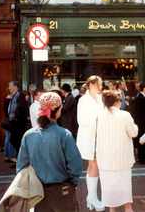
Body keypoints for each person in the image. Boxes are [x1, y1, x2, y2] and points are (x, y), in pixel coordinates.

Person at [17, 92, 82, 212]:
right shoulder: (64, 134)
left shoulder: (29, 135)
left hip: (38, 193)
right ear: (57, 111)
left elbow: (21, 167)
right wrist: (72, 183)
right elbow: (76, 166)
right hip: (62, 190)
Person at [96, 90, 138, 212]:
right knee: (127, 201)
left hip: (105, 162)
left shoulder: (99, 116)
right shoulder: (125, 115)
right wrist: (136, 126)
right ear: (116, 102)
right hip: (122, 161)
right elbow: (133, 133)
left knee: (111, 202)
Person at [76, 75, 105, 211]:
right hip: (89, 137)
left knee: (94, 166)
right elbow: (81, 120)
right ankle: (92, 197)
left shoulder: (100, 98)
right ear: (92, 84)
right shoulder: (83, 100)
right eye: (99, 84)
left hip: (99, 137)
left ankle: (91, 197)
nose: (101, 86)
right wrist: (98, 119)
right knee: (94, 165)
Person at [132, 82, 145, 164]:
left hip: (144, 124)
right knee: (141, 141)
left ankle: (144, 158)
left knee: (144, 141)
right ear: (144, 89)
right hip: (141, 124)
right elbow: (138, 113)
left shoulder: (144, 97)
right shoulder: (139, 98)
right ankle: (142, 159)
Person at [7, 81, 29, 154]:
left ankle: (20, 161)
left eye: (10, 86)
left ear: (15, 87)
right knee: (13, 140)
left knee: (17, 142)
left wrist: (16, 117)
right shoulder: (13, 96)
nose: (9, 88)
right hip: (14, 123)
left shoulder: (20, 95)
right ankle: (18, 160)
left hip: (18, 124)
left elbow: (23, 109)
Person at [3, 90, 16, 163]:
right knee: (10, 138)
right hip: (10, 121)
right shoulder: (10, 100)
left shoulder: (6, 99)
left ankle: (6, 155)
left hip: (6, 121)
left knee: (7, 138)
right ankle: (11, 156)